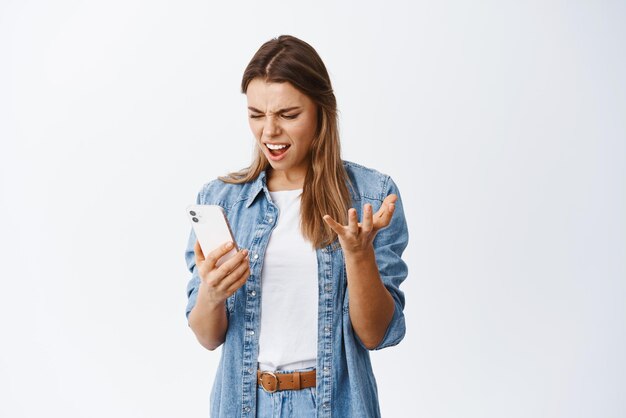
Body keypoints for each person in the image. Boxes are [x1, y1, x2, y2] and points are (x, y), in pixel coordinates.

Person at [184, 34, 409, 418]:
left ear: (321, 110)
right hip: (243, 404)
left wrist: (358, 255)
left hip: (334, 405)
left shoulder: (371, 197)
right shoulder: (220, 202)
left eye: (288, 115)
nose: (269, 132)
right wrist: (212, 292)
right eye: (256, 114)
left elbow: (375, 335)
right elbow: (208, 337)